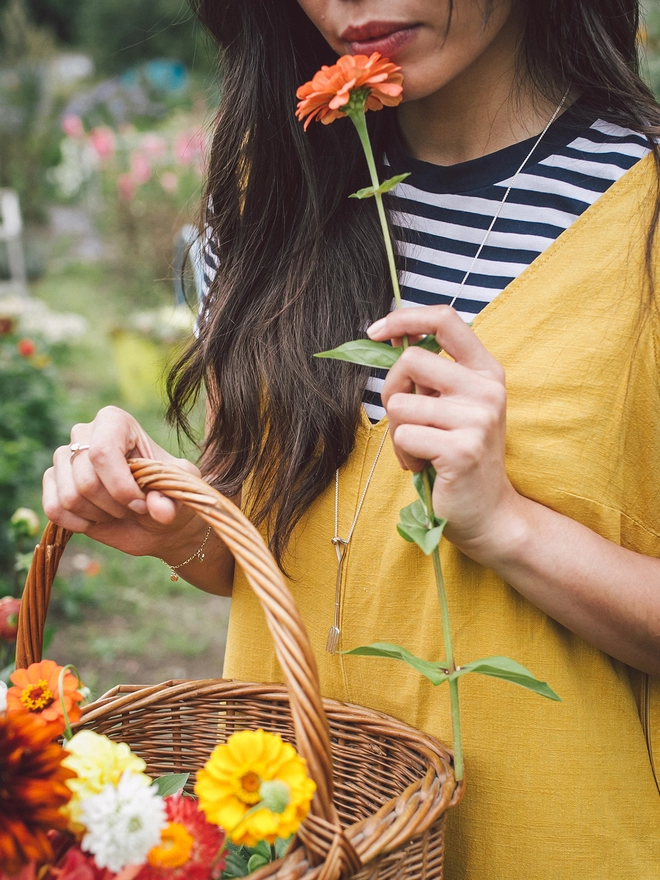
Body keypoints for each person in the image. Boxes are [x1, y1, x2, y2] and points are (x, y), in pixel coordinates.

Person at [44, 1, 660, 877]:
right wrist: (179, 524)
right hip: (292, 836)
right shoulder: (266, 202)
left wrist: (509, 526)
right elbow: (266, 544)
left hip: (560, 838)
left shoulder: (643, 213)